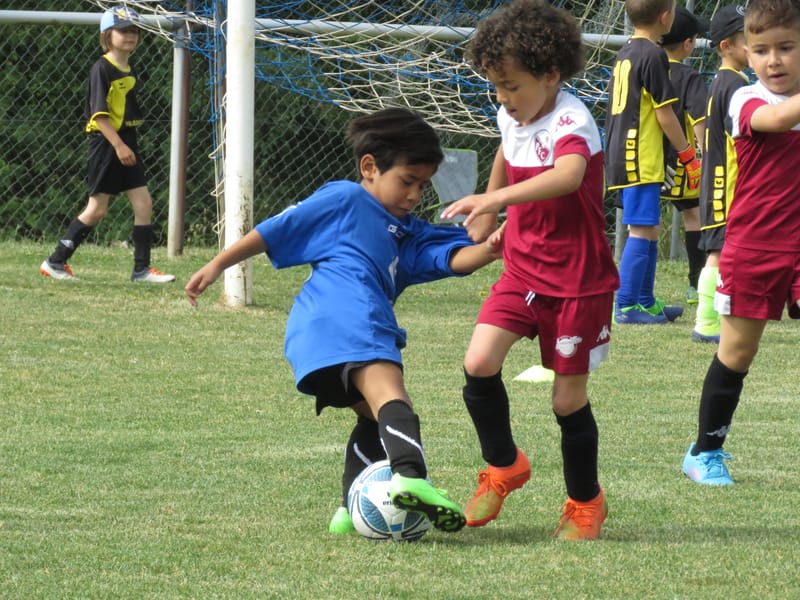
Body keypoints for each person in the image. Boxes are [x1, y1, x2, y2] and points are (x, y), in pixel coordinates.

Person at [185, 108, 503, 533]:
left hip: (312, 335)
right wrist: (218, 264)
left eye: (423, 185)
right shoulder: (347, 199)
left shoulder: (407, 232)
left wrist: (496, 242)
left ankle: (348, 509)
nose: (413, 195)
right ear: (369, 167)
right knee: (394, 399)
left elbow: (461, 255)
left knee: (374, 416)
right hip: (352, 317)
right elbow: (276, 229)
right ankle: (410, 476)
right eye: (406, 181)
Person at [440, 0, 619, 540]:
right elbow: (507, 148)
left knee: (567, 400)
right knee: (478, 361)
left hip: (577, 282)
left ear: (550, 75)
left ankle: (586, 503)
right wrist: (495, 207)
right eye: (495, 85)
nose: (502, 98)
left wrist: (492, 199)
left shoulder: (573, 120)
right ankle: (504, 465)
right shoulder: (510, 113)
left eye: (511, 86)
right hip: (521, 267)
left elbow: (566, 176)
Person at [682, 0, 800, 485]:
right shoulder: (744, 99)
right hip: (754, 247)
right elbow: (777, 123)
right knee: (737, 353)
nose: (773, 60)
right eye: (762, 50)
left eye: (787, 48)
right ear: (746, 55)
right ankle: (704, 453)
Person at [39, 6, 174, 283]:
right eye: (123, 30)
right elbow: (99, 116)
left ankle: (141, 270)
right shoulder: (102, 68)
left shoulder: (128, 67)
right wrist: (119, 146)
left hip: (126, 141)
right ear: (107, 34)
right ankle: (55, 262)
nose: (130, 36)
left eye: (134, 31)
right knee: (97, 209)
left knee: (144, 203)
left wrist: (127, 144)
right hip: (108, 144)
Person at [605, 0, 700, 324]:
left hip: (626, 154)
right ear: (665, 17)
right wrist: (688, 153)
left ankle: (645, 300)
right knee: (642, 230)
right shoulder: (653, 54)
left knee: (650, 226)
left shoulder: (627, 52)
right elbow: (665, 114)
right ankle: (627, 305)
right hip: (639, 156)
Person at [692, 5, 749, 344]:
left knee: (725, 248)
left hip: (718, 180)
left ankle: (722, 312)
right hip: (724, 184)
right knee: (719, 250)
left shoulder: (726, 81)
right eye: (749, 39)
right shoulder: (734, 86)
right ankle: (706, 322)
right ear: (726, 45)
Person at [658, 6, 710, 307]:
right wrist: (703, 158)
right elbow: (699, 118)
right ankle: (695, 284)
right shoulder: (689, 76)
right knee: (694, 216)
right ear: (688, 44)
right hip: (682, 161)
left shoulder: (644, 66)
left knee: (642, 225)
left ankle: (635, 290)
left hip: (646, 159)